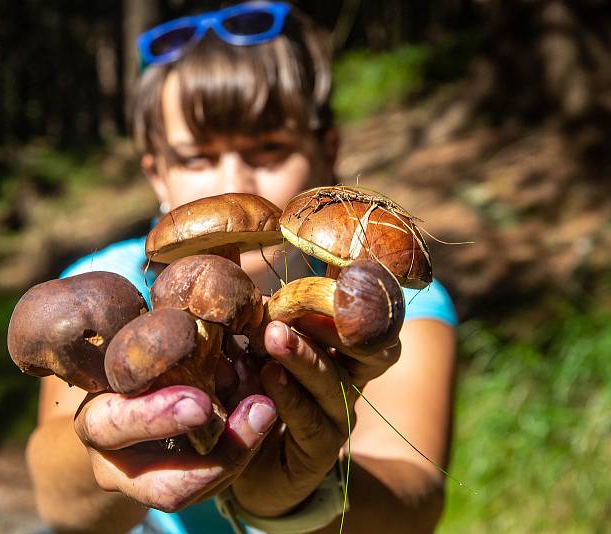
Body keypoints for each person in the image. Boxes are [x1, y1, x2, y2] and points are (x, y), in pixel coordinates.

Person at [26, 2, 457, 533]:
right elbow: (55, 504)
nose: (233, 181)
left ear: (329, 152)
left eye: (269, 149)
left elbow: (419, 498)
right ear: (156, 175)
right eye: (195, 158)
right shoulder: (106, 283)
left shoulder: (389, 301)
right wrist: (121, 431)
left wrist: (295, 499)